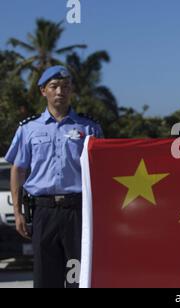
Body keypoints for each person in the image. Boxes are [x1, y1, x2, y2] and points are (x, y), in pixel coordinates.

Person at [5, 66, 103, 288]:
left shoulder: (89, 128)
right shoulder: (28, 129)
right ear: (43, 91)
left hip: (78, 212)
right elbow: (18, 169)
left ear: (71, 91)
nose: (60, 91)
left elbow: (101, 171)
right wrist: (18, 212)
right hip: (43, 212)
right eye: (54, 86)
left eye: (66, 86)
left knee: (79, 278)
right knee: (45, 278)